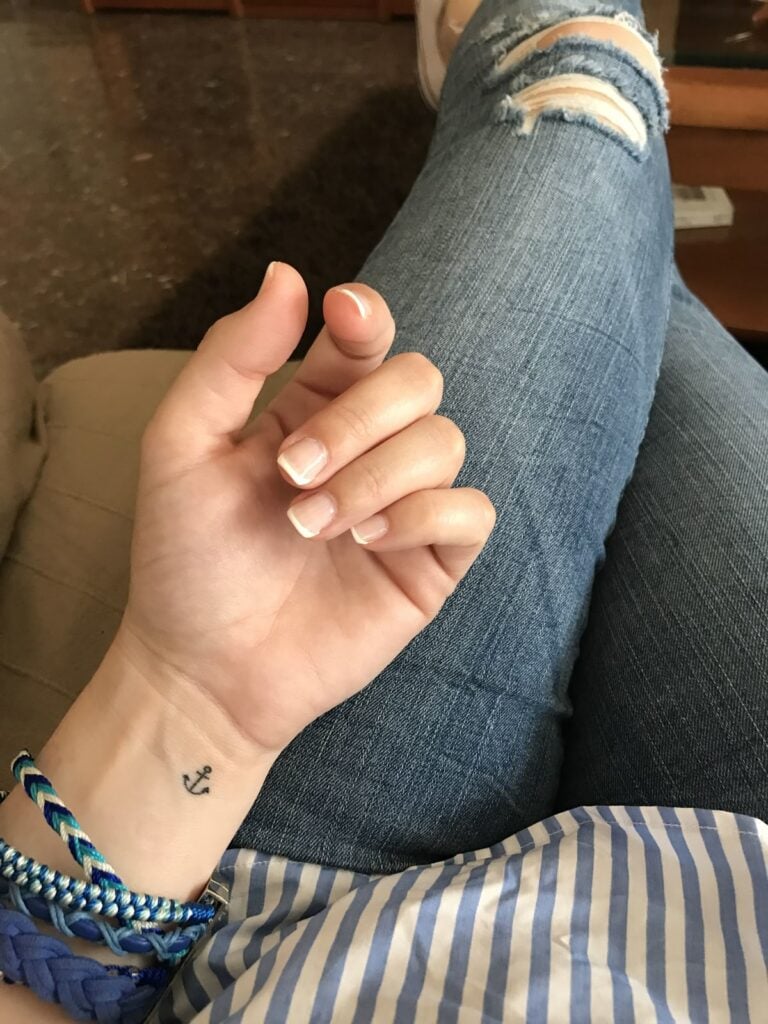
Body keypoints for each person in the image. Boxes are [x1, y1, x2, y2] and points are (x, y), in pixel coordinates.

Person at [0, 0, 766, 1021]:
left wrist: (189, 700)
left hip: (304, 934)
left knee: (578, 116)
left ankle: (541, 45)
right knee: (605, 165)